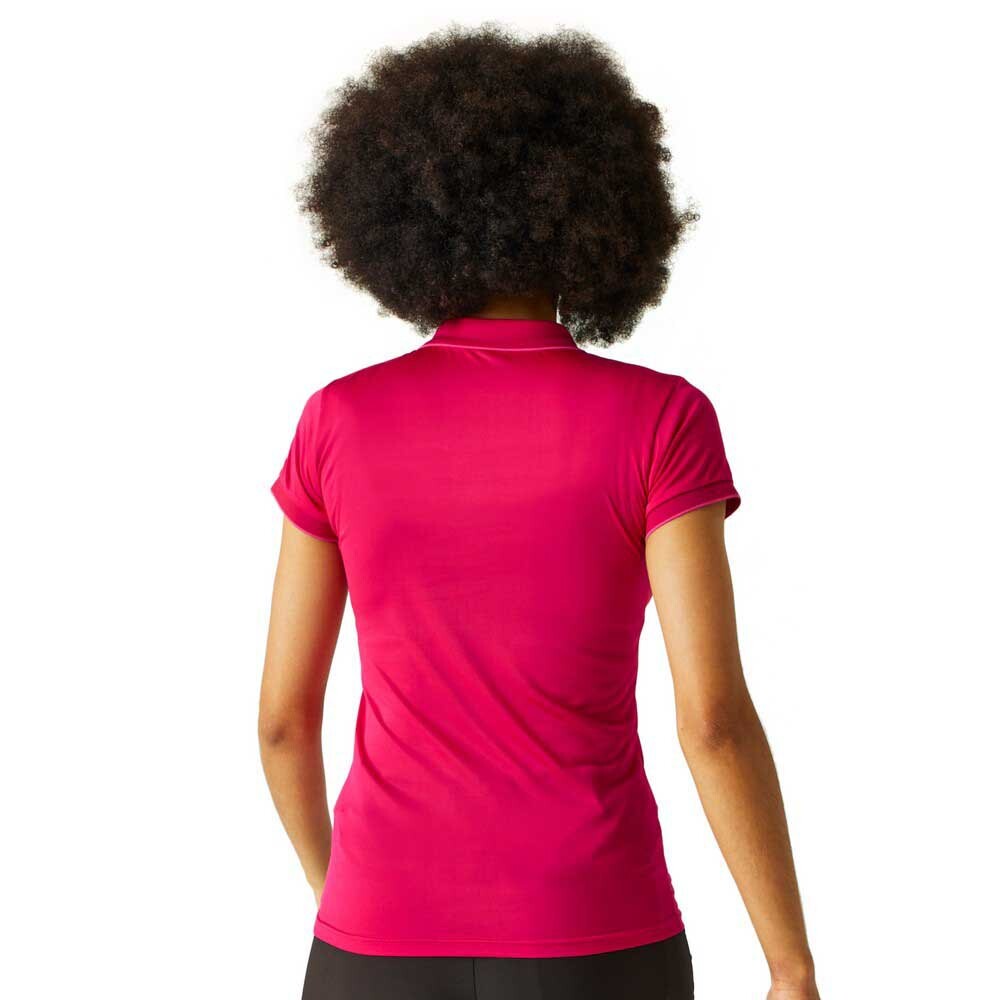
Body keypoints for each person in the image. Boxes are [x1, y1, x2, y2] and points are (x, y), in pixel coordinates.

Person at [258, 24, 820, 1000]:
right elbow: (713, 722)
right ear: (600, 212)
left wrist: (339, 890)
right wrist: (789, 965)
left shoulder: (337, 421)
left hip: (376, 938)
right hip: (594, 932)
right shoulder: (661, 420)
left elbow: (280, 724)